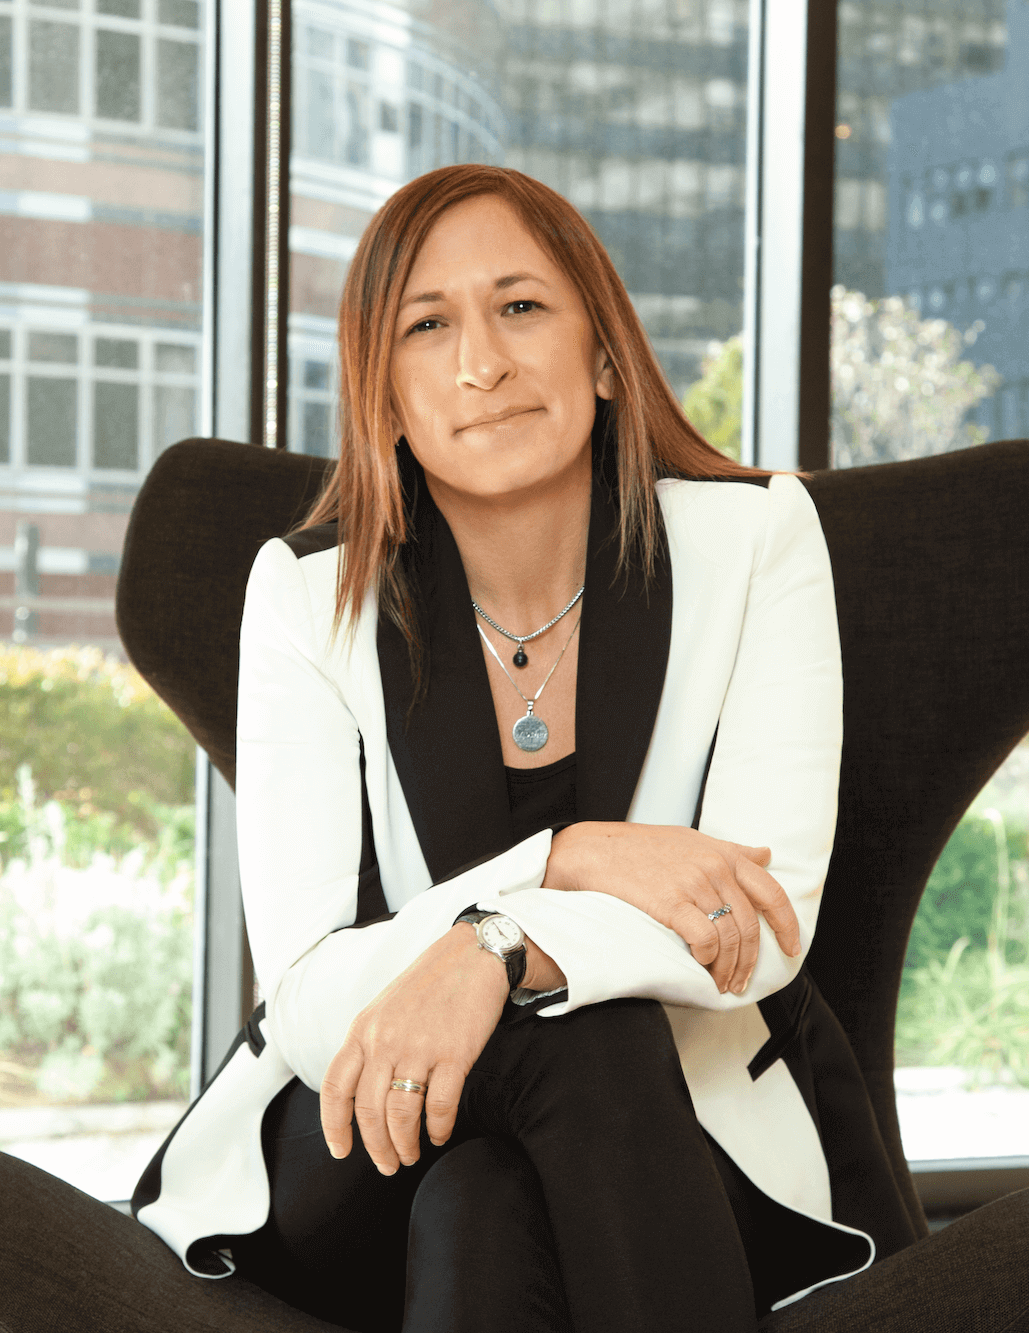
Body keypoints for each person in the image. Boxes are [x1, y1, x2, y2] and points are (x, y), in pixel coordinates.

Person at [129, 164, 917, 1332]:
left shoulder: (755, 543)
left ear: (602, 353)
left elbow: (757, 924)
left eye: (520, 308)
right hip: (363, 1125)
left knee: (494, 1188)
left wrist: (486, 951)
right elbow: (301, 995)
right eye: (426, 325)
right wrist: (567, 859)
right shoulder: (302, 595)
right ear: (382, 394)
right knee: (559, 1068)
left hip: (687, 1130)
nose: (478, 363)